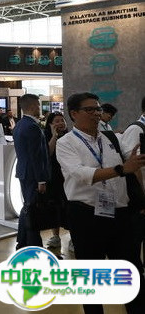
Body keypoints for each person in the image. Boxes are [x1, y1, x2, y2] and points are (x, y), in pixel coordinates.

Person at [56, 92, 145, 314]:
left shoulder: (110, 138)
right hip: (86, 217)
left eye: (98, 109)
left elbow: (132, 158)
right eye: (90, 110)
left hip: (120, 214)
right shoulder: (65, 143)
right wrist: (121, 169)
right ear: (74, 114)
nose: (96, 113)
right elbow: (81, 174)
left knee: (131, 272)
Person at [13, 94, 50, 249]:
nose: (39, 107)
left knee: (28, 208)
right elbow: (36, 156)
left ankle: (22, 242)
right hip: (32, 175)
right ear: (34, 106)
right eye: (39, 104)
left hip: (25, 172)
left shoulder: (20, 125)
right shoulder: (31, 127)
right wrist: (41, 179)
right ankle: (35, 246)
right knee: (32, 211)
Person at [120, 96, 145, 265]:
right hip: (140, 198)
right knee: (135, 242)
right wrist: (141, 198)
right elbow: (133, 166)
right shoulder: (136, 129)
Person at [42, 112, 69, 251]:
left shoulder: (70, 136)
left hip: (68, 176)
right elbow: (48, 153)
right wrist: (54, 136)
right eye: (56, 121)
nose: (60, 123)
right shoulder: (46, 136)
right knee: (54, 206)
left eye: (62, 120)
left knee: (69, 207)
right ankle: (56, 236)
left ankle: (74, 238)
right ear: (50, 124)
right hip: (54, 177)